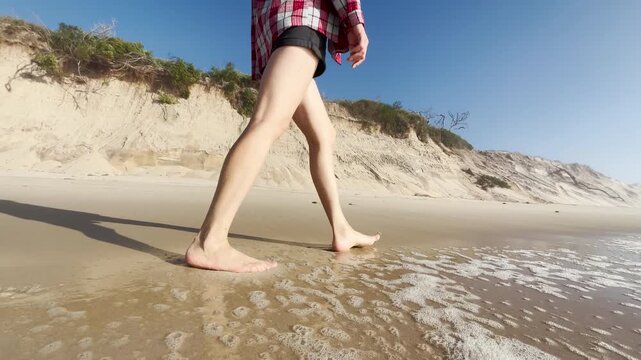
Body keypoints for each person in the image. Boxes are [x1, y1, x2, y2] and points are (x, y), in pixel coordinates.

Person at [185, 0, 380, 273]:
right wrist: (355, 22)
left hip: (278, 24)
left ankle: (341, 229)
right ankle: (209, 242)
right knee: (268, 121)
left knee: (324, 135)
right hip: (301, 18)